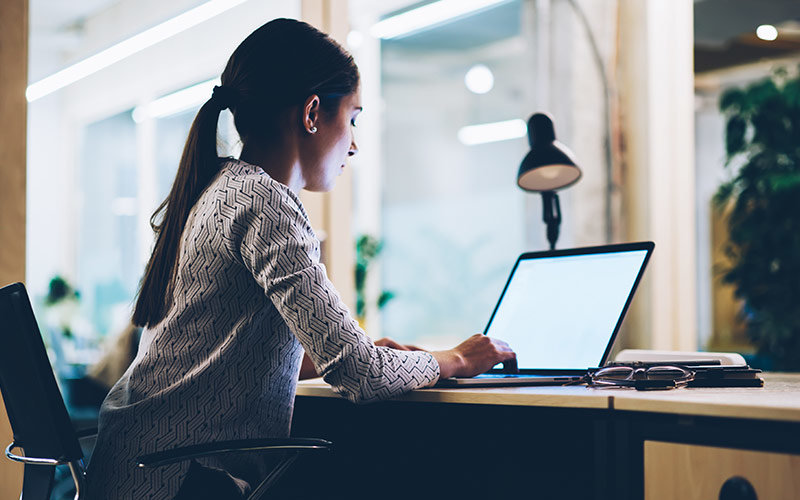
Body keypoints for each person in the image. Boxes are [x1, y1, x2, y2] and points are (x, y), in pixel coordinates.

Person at [86, 18, 515, 499]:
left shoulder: (222, 189)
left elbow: (222, 350)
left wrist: (360, 354)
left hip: (137, 468)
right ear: (312, 113)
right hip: (179, 478)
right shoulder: (266, 202)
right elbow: (360, 375)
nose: (353, 142)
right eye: (351, 118)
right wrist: (456, 358)